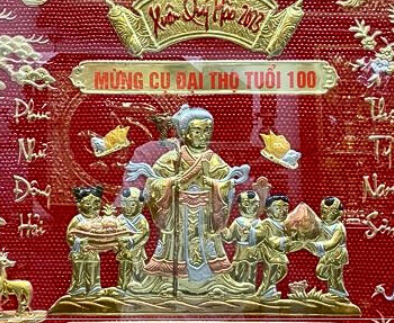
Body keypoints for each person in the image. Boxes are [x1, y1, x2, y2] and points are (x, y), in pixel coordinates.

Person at [125, 105, 254, 296]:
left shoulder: (213, 159)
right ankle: (169, 282)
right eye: (198, 131)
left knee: (208, 246)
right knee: (176, 246)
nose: (203, 136)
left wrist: (215, 185)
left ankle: (213, 282)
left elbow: (227, 183)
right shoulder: (171, 158)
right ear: (185, 133)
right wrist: (173, 183)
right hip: (179, 213)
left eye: (207, 131)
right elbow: (154, 183)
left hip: (205, 214)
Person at [66, 186, 105, 296]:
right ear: (79, 204)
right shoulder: (77, 219)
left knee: (93, 267)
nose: (92, 206)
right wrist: (78, 241)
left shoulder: (99, 220)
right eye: (88, 203)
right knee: (79, 268)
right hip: (79, 251)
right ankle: (79, 286)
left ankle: (94, 286)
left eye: (95, 203)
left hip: (92, 250)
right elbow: (70, 235)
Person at [221, 190, 263, 288]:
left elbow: (262, 239)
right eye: (247, 204)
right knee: (237, 274)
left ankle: (250, 293)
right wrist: (223, 228)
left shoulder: (259, 223)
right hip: (240, 255)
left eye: (254, 204)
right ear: (240, 206)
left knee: (251, 276)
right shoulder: (238, 222)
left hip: (253, 256)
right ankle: (237, 291)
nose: (251, 208)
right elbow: (228, 238)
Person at [310, 197, 349, 298]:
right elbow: (317, 236)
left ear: (339, 213)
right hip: (327, 253)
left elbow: (333, 242)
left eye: (331, 213)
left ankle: (338, 293)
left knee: (335, 275)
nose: (326, 215)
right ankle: (333, 290)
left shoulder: (338, 227)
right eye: (324, 212)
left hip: (337, 254)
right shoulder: (322, 225)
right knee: (321, 272)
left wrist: (319, 246)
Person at [258, 195, 293, 299]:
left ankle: (268, 287)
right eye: (277, 208)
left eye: (285, 208)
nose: (282, 211)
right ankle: (268, 291)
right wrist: (283, 240)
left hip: (279, 252)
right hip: (269, 252)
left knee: (282, 270)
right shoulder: (266, 224)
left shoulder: (285, 225)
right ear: (268, 211)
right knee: (271, 270)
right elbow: (269, 239)